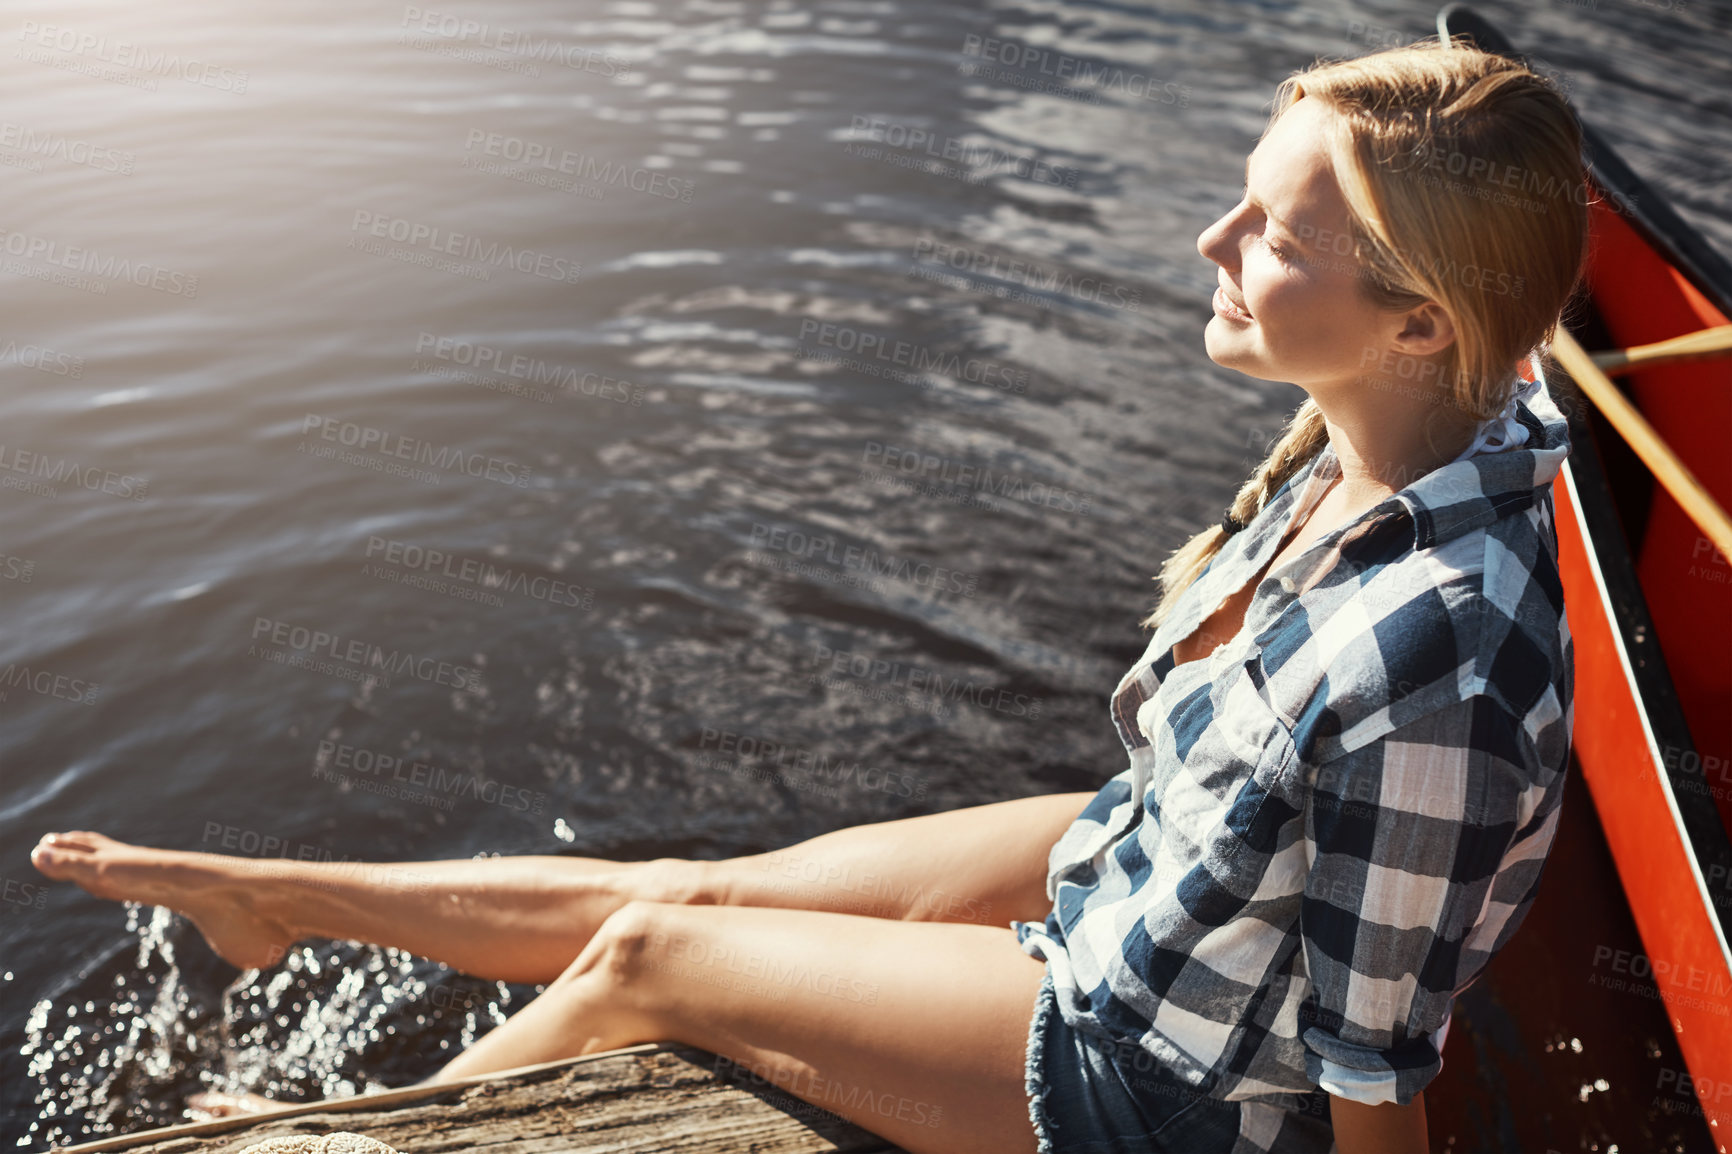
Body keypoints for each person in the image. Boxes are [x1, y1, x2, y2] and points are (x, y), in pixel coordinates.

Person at [32, 36, 1587, 1154]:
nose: (1212, 240)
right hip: (1156, 861)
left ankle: (354, 1144)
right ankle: (276, 894)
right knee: (699, 886)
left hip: (1162, 1079)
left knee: (656, 958)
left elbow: (1375, 1065)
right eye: (1242, 200)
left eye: (1275, 233)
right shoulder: (1419, 429)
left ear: (1414, 325)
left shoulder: (1439, 660)